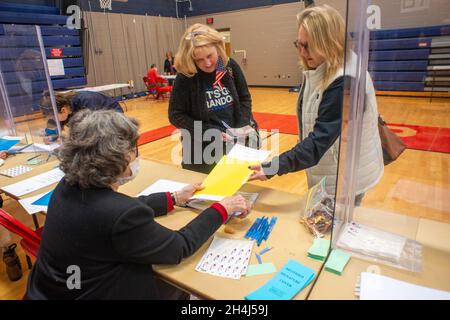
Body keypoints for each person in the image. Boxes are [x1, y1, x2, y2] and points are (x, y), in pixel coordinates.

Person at [26, 109, 250, 300]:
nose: (136, 154)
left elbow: (117, 210)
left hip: (52, 290)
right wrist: (222, 208)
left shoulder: (67, 185)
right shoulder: (120, 215)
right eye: (133, 149)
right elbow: (178, 247)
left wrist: (173, 198)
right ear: (118, 158)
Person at [249, 5, 384, 205]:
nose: (303, 53)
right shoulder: (325, 65)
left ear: (329, 43)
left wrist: (273, 167)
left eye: (309, 46)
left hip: (344, 177)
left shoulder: (344, 81)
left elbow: (319, 141)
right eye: (299, 44)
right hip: (332, 169)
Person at [169, 23, 259, 174]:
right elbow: (175, 115)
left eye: (210, 56)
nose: (208, 63)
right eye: (199, 60)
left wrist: (241, 126)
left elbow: (244, 98)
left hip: (235, 147)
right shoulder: (186, 76)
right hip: (201, 153)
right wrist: (208, 131)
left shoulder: (229, 66)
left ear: (218, 47)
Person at [40, 91, 124, 143]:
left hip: (114, 117)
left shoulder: (87, 101)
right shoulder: (65, 110)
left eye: (54, 118)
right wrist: (53, 137)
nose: (54, 120)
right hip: (98, 122)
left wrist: (70, 140)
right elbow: (57, 130)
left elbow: (92, 131)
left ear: (63, 110)